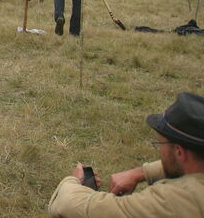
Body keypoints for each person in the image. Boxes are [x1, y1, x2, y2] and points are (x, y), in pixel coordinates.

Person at [49, 91, 204, 217]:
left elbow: (68, 204)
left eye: (161, 145)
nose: (160, 151)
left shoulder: (175, 200)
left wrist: (73, 181)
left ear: (179, 151)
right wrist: (141, 173)